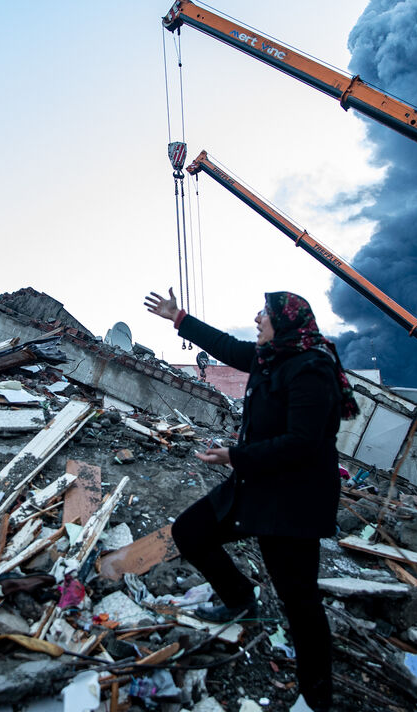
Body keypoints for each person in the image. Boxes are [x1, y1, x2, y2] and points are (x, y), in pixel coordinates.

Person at [145, 287, 343, 712]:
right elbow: (226, 346)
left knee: (300, 602)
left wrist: (235, 455)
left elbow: (303, 444)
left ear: (284, 324)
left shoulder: (311, 369)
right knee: (190, 531)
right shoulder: (270, 358)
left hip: (294, 502)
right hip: (257, 483)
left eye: (264, 314)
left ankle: (317, 699)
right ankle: (239, 601)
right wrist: (179, 317)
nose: (256, 319)